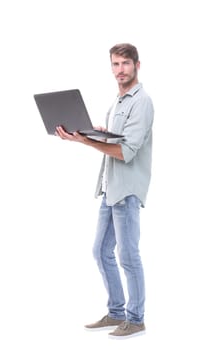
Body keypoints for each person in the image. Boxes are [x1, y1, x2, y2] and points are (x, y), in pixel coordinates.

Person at [56, 43, 154, 339]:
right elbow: (116, 141)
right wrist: (93, 133)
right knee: (100, 250)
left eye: (125, 63)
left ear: (138, 65)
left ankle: (136, 319)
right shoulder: (119, 101)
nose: (119, 70)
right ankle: (116, 311)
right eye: (115, 64)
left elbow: (126, 152)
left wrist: (85, 142)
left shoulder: (142, 102)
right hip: (109, 188)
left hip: (127, 190)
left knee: (128, 255)